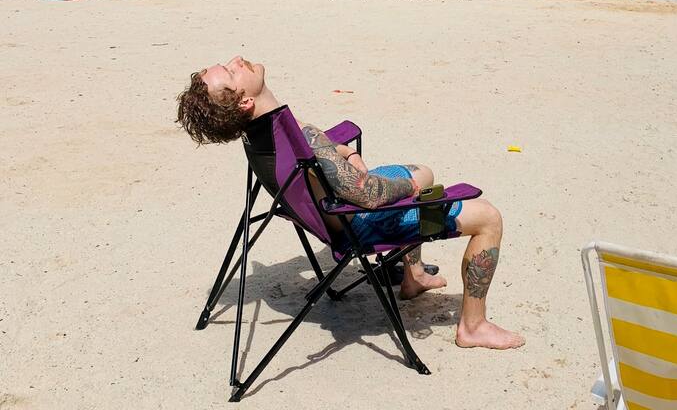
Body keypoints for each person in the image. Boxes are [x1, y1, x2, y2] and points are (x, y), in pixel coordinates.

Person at [176, 56, 525, 351]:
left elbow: (320, 152)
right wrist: (408, 189)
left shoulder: (266, 132)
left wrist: (348, 154)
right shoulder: (300, 137)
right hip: (359, 222)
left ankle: (415, 277)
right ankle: (473, 327)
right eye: (232, 71)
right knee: (487, 217)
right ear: (244, 103)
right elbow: (368, 194)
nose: (237, 61)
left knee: (424, 171)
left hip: (336, 210)